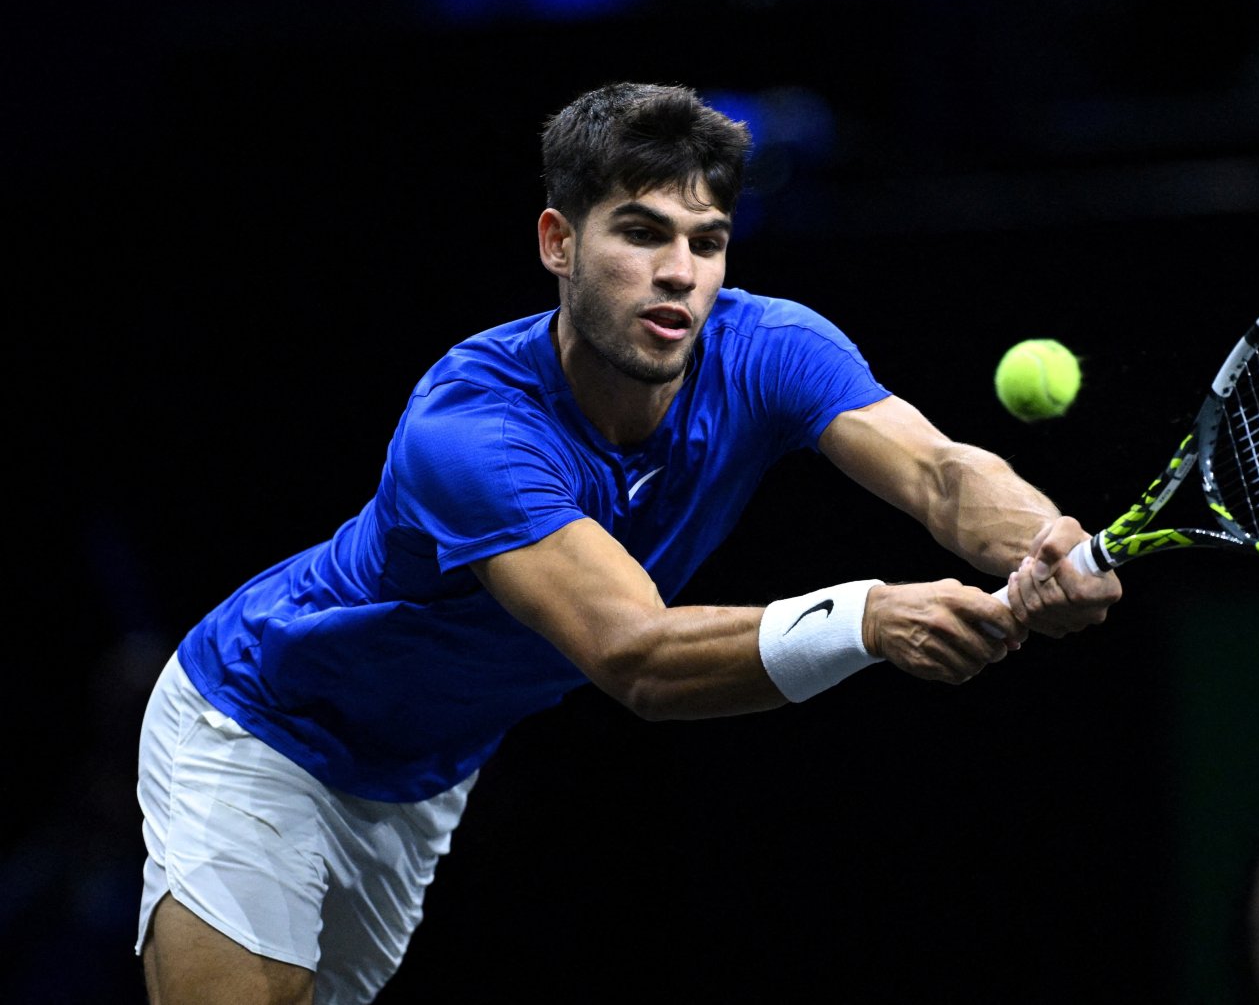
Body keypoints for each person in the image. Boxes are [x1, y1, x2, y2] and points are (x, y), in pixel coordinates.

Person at [134, 80, 1122, 1004]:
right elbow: (636, 658)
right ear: (557, 242)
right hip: (258, 722)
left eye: (707, 241)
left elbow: (938, 471)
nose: (679, 274)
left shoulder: (769, 347)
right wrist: (864, 617)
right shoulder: (472, 430)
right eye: (642, 234)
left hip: (421, 777)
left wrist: (1041, 545)